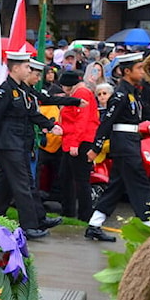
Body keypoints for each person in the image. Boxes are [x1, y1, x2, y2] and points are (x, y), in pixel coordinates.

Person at [84, 53, 150, 242]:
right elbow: (107, 122)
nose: (143, 71)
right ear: (127, 71)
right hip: (123, 143)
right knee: (140, 182)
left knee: (116, 185)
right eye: (139, 68)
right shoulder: (120, 95)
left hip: (131, 141)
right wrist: (96, 147)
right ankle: (149, 226)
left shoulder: (134, 93)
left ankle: (94, 225)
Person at [0, 55, 65, 239]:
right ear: (15, 68)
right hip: (8, 144)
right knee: (22, 183)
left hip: (19, 143)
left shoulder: (22, 90)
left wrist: (49, 125)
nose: (29, 71)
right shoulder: (5, 90)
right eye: (26, 67)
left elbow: (32, 113)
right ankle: (29, 226)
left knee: (1, 183)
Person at [59, 70, 99, 221]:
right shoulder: (81, 92)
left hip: (78, 141)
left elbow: (81, 120)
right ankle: (72, 211)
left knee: (79, 180)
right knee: (68, 177)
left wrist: (75, 143)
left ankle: (83, 214)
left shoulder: (81, 93)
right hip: (74, 140)